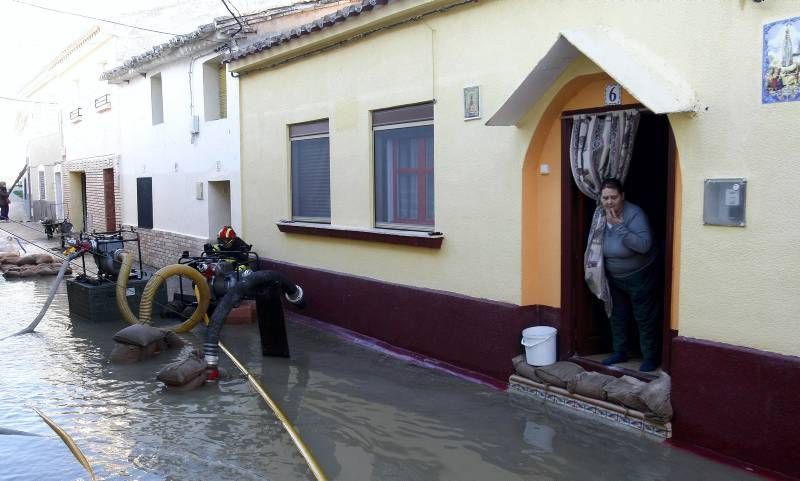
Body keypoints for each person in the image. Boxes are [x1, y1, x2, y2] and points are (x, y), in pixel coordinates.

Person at [598, 178, 661, 372]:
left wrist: (618, 226)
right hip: (613, 276)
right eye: (605, 198)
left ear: (622, 196)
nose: (609, 202)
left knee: (644, 317)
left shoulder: (635, 214)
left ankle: (650, 357)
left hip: (639, 275)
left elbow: (643, 245)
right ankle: (620, 352)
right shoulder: (599, 215)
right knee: (617, 315)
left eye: (614, 197)